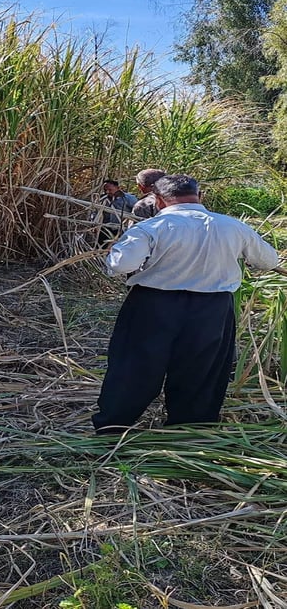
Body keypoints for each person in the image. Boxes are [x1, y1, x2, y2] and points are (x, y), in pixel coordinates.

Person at [93, 174, 281, 434]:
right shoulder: (232, 227)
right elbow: (269, 261)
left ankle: (113, 426)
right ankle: (190, 430)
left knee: (135, 365)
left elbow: (119, 266)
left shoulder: (150, 228)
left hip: (153, 305)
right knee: (201, 369)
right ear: (200, 196)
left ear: (158, 200)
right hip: (212, 308)